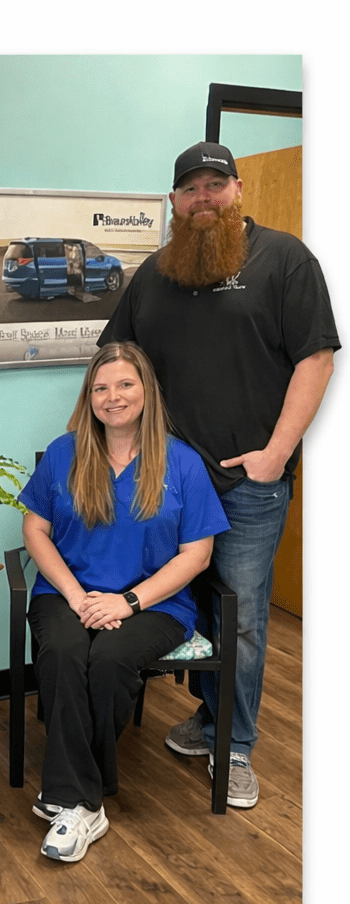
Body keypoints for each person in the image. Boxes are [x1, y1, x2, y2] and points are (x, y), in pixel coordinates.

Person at [99, 141, 339, 808]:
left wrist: (277, 453)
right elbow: (119, 361)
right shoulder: (156, 273)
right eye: (190, 189)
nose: (203, 198)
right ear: (174, 202)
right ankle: (208, 721)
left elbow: (316, 360)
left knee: (242, 618)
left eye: (215, 185)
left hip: (248, 486)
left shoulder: (284, 260)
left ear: (237, 191)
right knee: (192, 608)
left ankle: (233, 748)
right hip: (169, 487)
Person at [18, 342, 229, 863]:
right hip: (67, 593)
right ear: (89, 397)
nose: (113, 397)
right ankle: (84, 802)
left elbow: (197, 555)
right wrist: (76, 596)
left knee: (109, 659)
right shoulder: (66, 452)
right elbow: (35, 529)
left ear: (147, 390)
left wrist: (127, 602)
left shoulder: (181, 463)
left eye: (125, 384)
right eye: (101, 388)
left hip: (155, 603)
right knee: (65, 652)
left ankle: (71, 799)